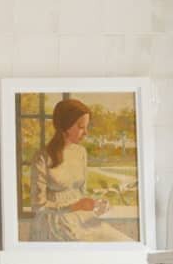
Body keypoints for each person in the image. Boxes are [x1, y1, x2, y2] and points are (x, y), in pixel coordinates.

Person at [27, 98, 127, 242]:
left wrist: (95, 204)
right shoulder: (42, 157)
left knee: (119, 242)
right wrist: (74, 206)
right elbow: (38, 206)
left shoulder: (81, 152)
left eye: (87, 127)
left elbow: (81, 193)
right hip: (54, 222)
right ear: (65, 126)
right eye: (81, 127)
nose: (86, 132)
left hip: (81, 218)